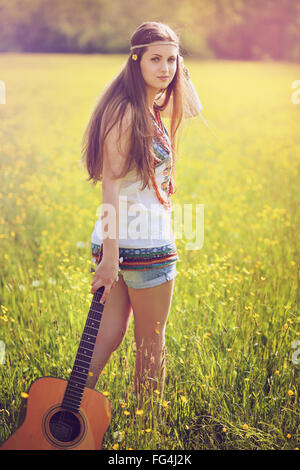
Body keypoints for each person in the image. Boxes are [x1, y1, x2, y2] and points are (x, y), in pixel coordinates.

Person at [81, 21, 203, 403]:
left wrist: (174, 60)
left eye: (171, 60)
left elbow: (195, 108)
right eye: (155, 59)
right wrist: (110, 259)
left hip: (119, 246)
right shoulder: (126, 114)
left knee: (109, 335)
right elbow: (111, 187)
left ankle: (67, 414)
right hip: (142, 246)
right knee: (151, 342)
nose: (165, 69)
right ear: (135, 61)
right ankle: (147, 429)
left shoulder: (144, 106)